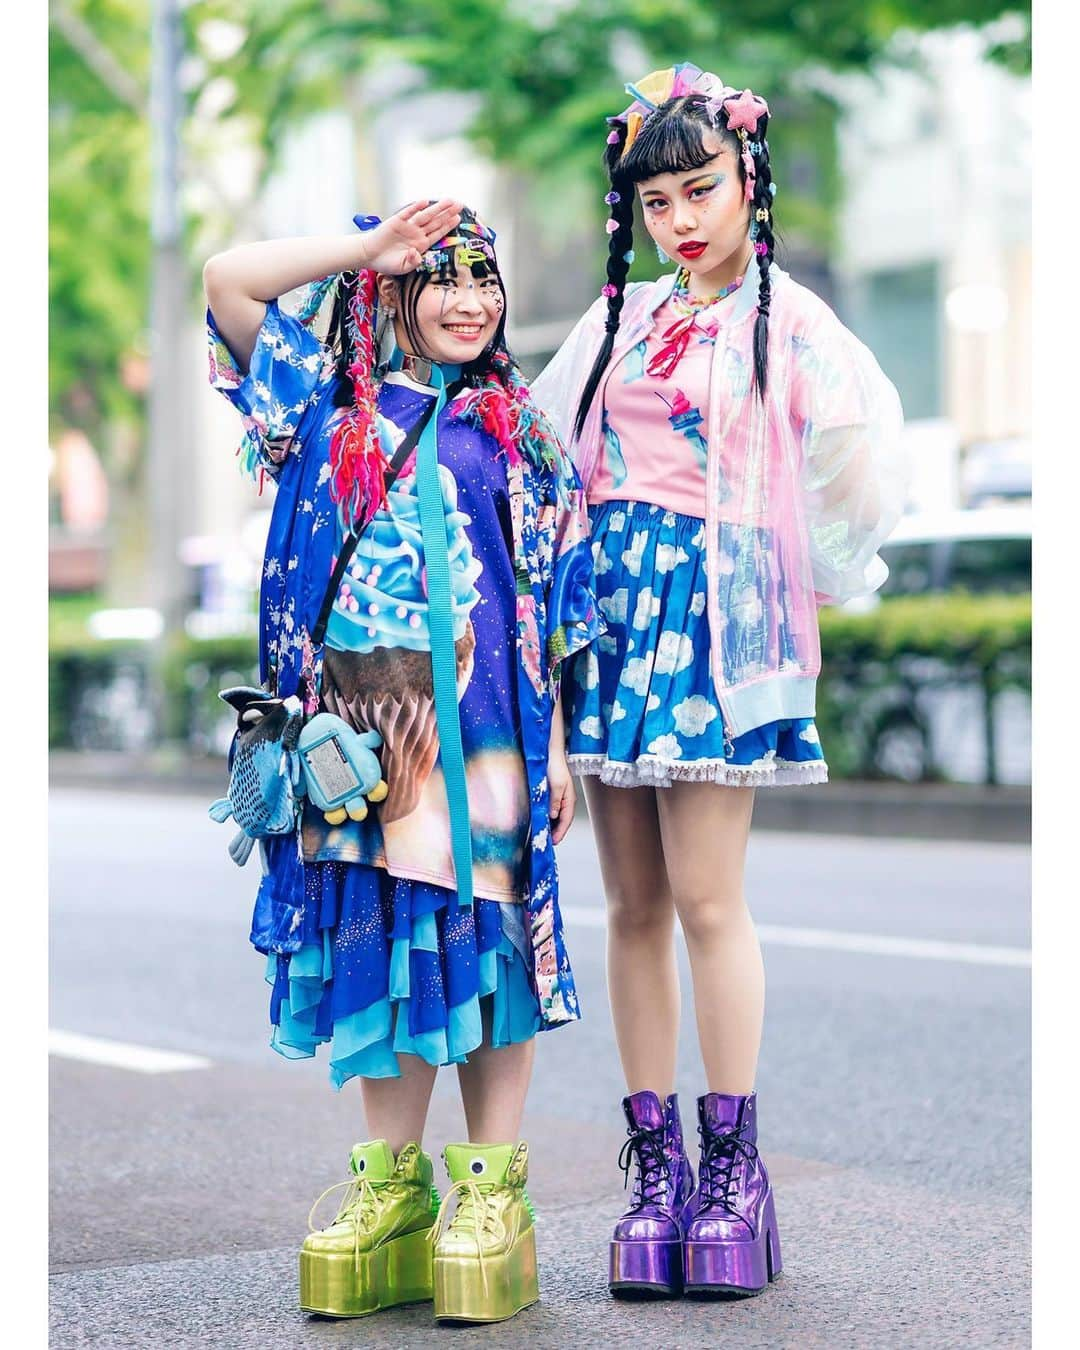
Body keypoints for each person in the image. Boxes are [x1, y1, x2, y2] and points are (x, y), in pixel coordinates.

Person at [532, 64, 907, 1299]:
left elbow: (858, 453)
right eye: (658, 203)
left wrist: (813, 576)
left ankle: (733, 1169)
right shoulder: (615, 323)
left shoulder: (789, 320)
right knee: (630, 904)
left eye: (702, 190)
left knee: (706, 900)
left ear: (751, 181)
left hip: (713, 621)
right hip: (618, 620)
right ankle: (653, 1172)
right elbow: (544, 455)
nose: (682, 220)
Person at [203, 200, 600, 1324]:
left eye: (484, 277)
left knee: (489, 953)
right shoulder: (316, 409)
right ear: (391, 295)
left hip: (488, 729)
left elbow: (556, 605)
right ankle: (391, 1189)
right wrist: (365, 249)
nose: (470, 298)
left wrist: (558, 745)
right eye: (442, 278)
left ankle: (493, 1192)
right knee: (385, 948)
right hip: (359, 735)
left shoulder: (522, 434)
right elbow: (229, 279)